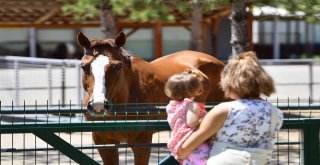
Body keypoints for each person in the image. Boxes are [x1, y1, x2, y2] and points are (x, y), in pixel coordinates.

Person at [177, 51, 284, 165]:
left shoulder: (224, 110)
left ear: (231, 82)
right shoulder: (275, 113)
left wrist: (180, 154)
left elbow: (188, 146)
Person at [164, 69, 211, 165]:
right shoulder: (191, 104)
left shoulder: (171, 105)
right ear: (197, 90)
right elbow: (191, 123)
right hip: (193, 142)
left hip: (178, 143)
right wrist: (206, 120)